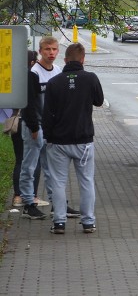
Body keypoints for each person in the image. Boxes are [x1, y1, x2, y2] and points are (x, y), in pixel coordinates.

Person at [43, 42, 104, 234]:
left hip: (59, 141)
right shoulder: (90, 78)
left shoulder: (54, 82)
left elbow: (47, 114)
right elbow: (99, 101)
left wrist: (48, 137)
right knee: (86, 181)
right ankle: (88, 222)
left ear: (65, 59)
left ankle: (59, 222)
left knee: (58, 182)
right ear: (83, 59)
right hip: (84, 140)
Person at [19, 37, 65, 220]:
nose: (51, 53)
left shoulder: (58, 71)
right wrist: (33, 127)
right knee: (29, 166)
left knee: (52, 168)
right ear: (40, 50)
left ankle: (58, 204)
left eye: (54, 49)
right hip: (34, 127)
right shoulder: (33, 73)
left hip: (51, 129)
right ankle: (28, 204)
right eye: (47, 49)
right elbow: (28, 103)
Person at [11, 51, 44, 208]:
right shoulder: (31, 77)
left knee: (20, 160)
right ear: (31, 62)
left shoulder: (14, 78)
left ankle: (17, 196)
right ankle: (31, 196)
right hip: (29, 123)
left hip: (15, 122)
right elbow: (33, 104)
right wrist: (35, 126)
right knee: (34, 162)